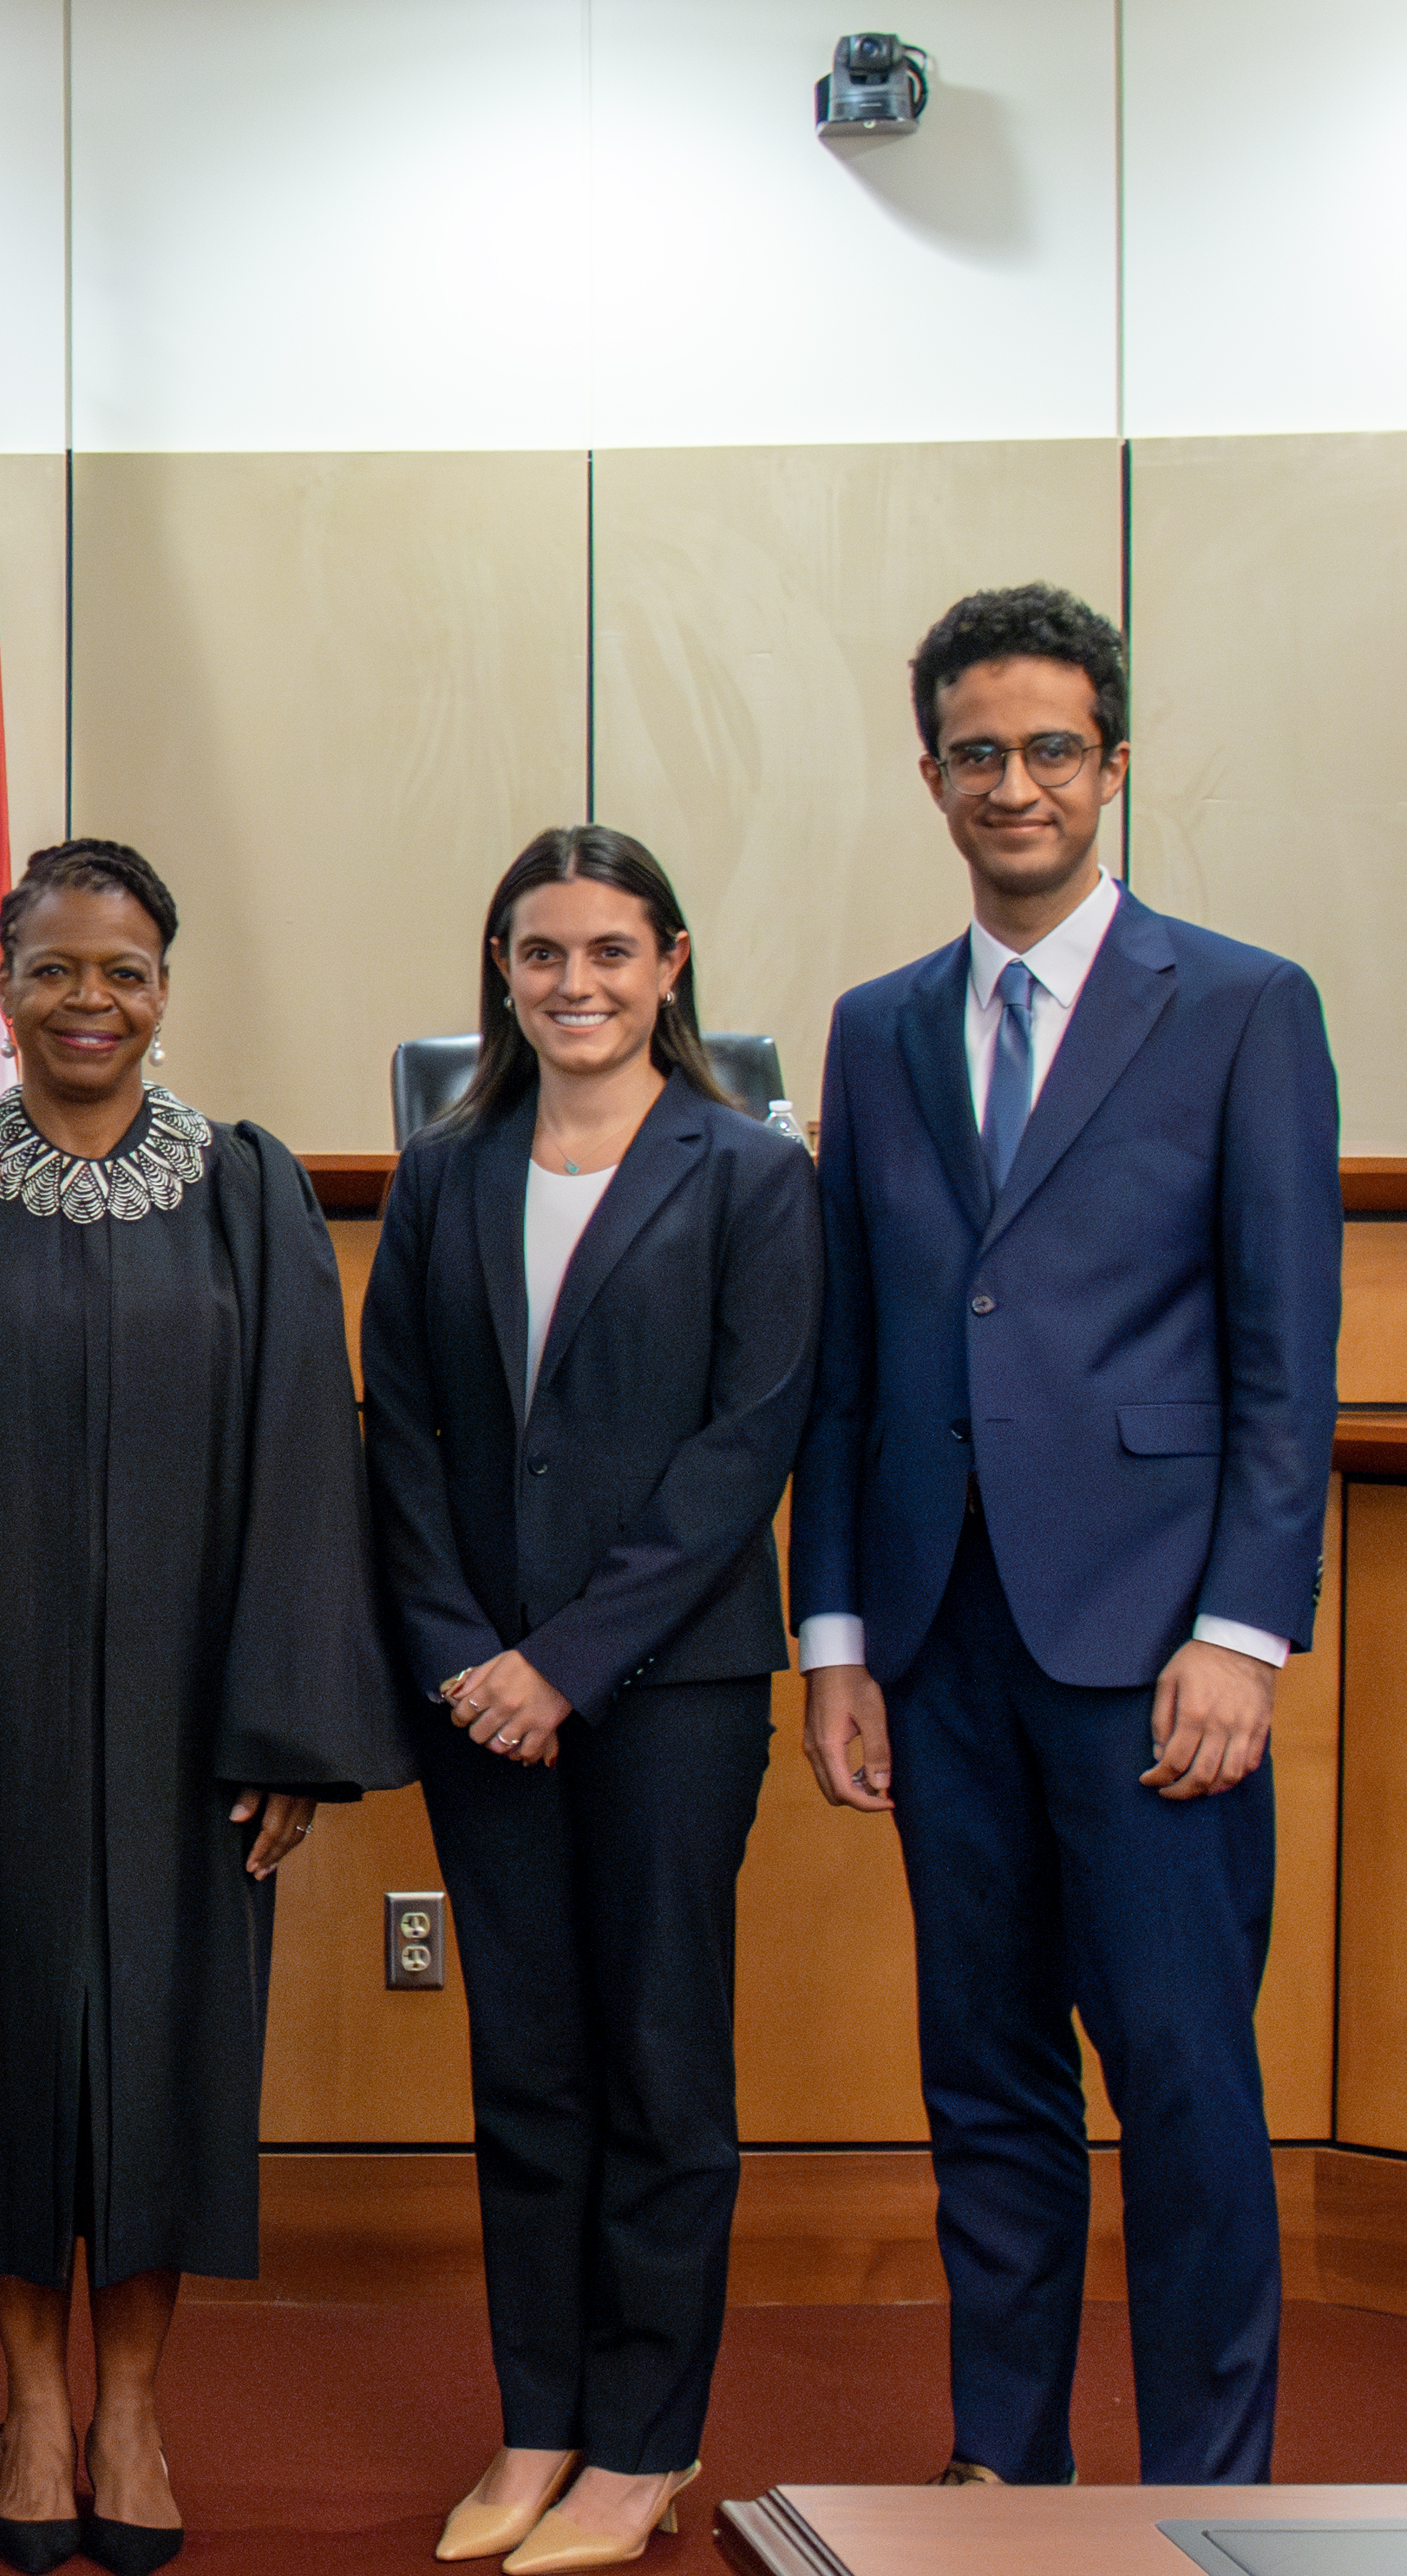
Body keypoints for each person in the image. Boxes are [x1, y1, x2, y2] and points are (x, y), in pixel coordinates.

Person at [794, 585, 1340, 2488]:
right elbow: (851, 1362)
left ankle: (1207, 2492)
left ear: (1110, 766)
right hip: (938, 1649)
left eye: (1047, 750)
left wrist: (1244, 1635)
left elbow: (1286, 1364)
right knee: (986, 2094)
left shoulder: (1246, 1006)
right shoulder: (874, 1034)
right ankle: (999, 2475)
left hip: (1153, 1658)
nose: (1010, 784)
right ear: (928, 773)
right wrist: (839, 1642)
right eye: (974, 752)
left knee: (1188, 2096)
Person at [0, 839, 405, 2576]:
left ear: (166, 983)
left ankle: (133, 2402)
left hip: (186, 1727)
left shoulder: (248, 1189)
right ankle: (30, 2402)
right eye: (55, 968)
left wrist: (284, 1723)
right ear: (3, 984)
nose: (89, 1000)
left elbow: (306, 1461)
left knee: (163, 2065)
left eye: (123, 968)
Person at [358, 829, 820, 2571]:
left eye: (609, 953)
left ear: (669, 967)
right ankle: (537, 2419)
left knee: (656, 2066)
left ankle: (642, 2446)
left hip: (669, 1694)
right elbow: (398, 1439)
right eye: (539, 953)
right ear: (500, 971)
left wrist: (566, 1662)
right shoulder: (446, 1168)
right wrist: (467, 1652)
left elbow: (739, 1452)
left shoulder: (750, 1175)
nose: (573, 984)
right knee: (526, 2071)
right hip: (473, 1693)